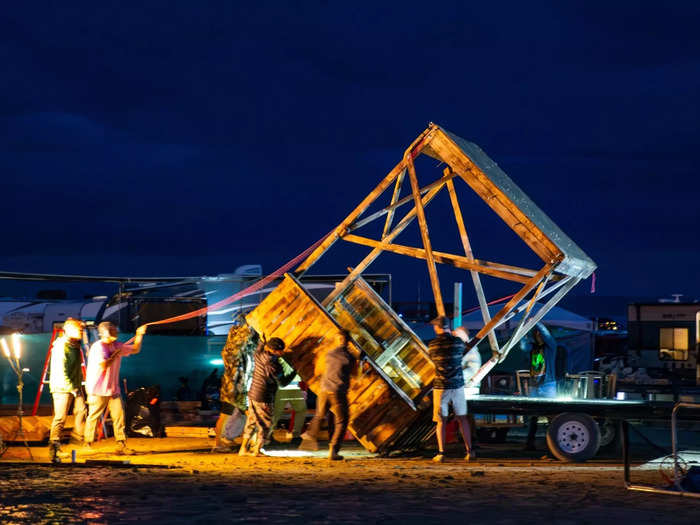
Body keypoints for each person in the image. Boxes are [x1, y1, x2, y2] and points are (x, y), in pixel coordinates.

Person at [83, 322, 147, 455]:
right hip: (97, 389)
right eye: (112, 330)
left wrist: (139, 335)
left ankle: (121, 444)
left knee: (119, 416)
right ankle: (87, 443)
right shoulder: (98, 347)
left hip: (112, 388)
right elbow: (104, 364)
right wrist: (115, 353)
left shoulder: (116, 345)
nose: (116, 332)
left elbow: (135, 349)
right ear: (105, 332)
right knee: (93, 416)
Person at [299, 330, 359, 460]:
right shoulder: (350, 357)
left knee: (320, 415)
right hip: (338, 391)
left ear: (337, 340)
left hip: (324, 389)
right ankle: (333, 450)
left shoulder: (329, 354)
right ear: (349, 341)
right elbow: (355, 374)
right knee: (342, 421)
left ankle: (310, 434)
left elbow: (319, 370)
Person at [428, 315, 474, 462]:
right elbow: (463, 351)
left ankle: (441, 453)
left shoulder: (433, 345)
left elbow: (432, 360)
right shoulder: (458, 343)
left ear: (437, 327)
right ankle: (470, 451)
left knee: (441, 421)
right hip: (458, 385)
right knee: (462, 419)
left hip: (441, 386)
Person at [238, 335, 293, 457]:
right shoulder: (273, 364)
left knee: (251, 422)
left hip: (252, 394)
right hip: (264, 397)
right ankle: (257, 450)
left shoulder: (259, 355)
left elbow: (260, 345)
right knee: (265, 424)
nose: (282, 353)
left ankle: (243, 449)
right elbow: (283, 382)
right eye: (280, 350)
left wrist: (263, 339)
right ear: (274, 350)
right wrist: (294, 372)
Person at [213, 320, 259, 452]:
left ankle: (218, 443)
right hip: (239, 389)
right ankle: (252, 444)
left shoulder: (229, 350)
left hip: (230, 389)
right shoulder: (242, 350)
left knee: (224, 416)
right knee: (251, 415)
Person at [48, 318, 87, 462]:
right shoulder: (61, 347)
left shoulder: (73, 345)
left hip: (72, 386)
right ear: (69, 330)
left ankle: (77, 437)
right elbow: (61, 371)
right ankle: (54, 450)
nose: (82, 332)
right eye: (79, 330)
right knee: (60, 418)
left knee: (81, 410)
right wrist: (73, 388)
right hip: (61, 387)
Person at [521, 322, 557, 450]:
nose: (538, 335)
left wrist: (537, 323)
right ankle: (530, 443)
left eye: (539, 333)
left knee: (551, 416)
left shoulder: (551, 347)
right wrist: (524, 329)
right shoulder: (533, 347)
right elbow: (523, 346)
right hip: (534, 385)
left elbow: (547, 336)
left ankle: (554, 444)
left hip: (548, 384)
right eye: (536, 333)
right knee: (533, 416)